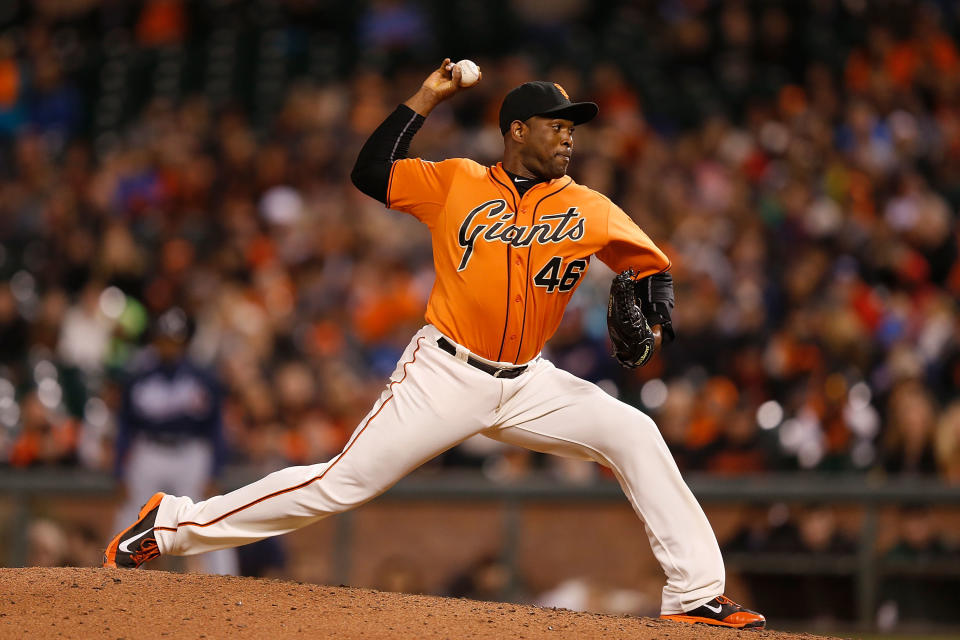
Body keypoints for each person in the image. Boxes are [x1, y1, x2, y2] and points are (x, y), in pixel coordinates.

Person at [103, 59, 764, 629]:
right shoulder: (457, 182)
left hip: (530, 380)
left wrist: (656, 303)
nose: (568, 136)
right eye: (556, 125)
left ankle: (695, 593)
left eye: (572, 126)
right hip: (445, 373)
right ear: (517, 131)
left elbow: (649, 265)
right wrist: (427, 98)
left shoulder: (588, 205)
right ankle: (169, 524)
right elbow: (370, 173)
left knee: (634, 432)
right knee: (341, 484)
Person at [110, 306, 237, 575]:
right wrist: (120, 469)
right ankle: (115, 575)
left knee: (206, 516)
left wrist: (215, 470)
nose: (168, 346)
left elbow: (215, 428)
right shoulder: (139, 376)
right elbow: (125, 426)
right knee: (132, 515)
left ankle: (225, 579)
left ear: (185, 342)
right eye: (164, 339)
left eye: (175, 340)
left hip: (190, 452)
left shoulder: (203, 378)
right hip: (150, 450)